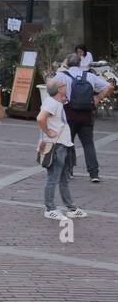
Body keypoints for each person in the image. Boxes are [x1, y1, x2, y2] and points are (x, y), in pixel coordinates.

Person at [38, 76, 87, 221]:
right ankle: (50, 208)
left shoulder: (56, 102)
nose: (67, 87)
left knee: (64, 178)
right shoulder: (52, 103)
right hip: (57, 145)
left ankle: (70, 207)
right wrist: (48, 132)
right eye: (64, 85)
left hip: (64, 145)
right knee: (53, 178)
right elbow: (40, 118)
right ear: (59, 89)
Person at [63, 54, 112, 184]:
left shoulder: (62, 76)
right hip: (86, 115)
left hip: (69, 114)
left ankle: (69, 171)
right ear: (80, 63)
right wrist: (97, 98)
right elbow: (108, 86)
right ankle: (94, 173)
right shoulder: (90, 76)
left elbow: (51, 88)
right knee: (88, 144)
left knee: (68, 143)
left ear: (68, 63)